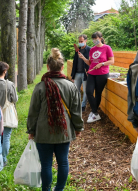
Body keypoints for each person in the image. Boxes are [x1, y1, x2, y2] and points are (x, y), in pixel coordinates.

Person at [27, 48, 84, 191]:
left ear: (48, 67)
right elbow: (76, 111)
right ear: (62, 67)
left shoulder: (40, 86)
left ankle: (46, 189)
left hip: (43, 132)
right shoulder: (71, 86)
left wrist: (31, 130)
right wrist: (78, 128)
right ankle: (59, 189)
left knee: (46, 164)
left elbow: (33, 112)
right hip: (64, 131)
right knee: (63, 162)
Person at [78, 31, 114, 123]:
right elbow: (90, 62)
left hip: (102, 73)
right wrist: (83, 58)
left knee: (98, 93)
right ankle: (95, 113)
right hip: (91, 73)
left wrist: (101, 64)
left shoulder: (107, 48)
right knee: (89, 92)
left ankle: (94, 112)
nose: (94, 41)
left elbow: (112, 61)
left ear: (101, 38)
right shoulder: (92, 49)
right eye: (93, 39)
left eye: (96, 39)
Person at [0, 61, 18, 167]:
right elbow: (15, 99)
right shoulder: (10, 84)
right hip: (6, 115)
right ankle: (3, 159)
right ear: (4, 71)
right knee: (6, 137)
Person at [71, 34, 91, 112]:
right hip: (77, 73)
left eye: (81, 41)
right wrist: (73, 75)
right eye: (79, 41)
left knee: (85, 91)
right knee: (76, 90)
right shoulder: (77, 50)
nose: (80, 42)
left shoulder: (89, 49)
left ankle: (83, 106)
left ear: (86, 40)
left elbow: (90, 62)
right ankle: (77, 104)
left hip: (85, 73)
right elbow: (74, 62)